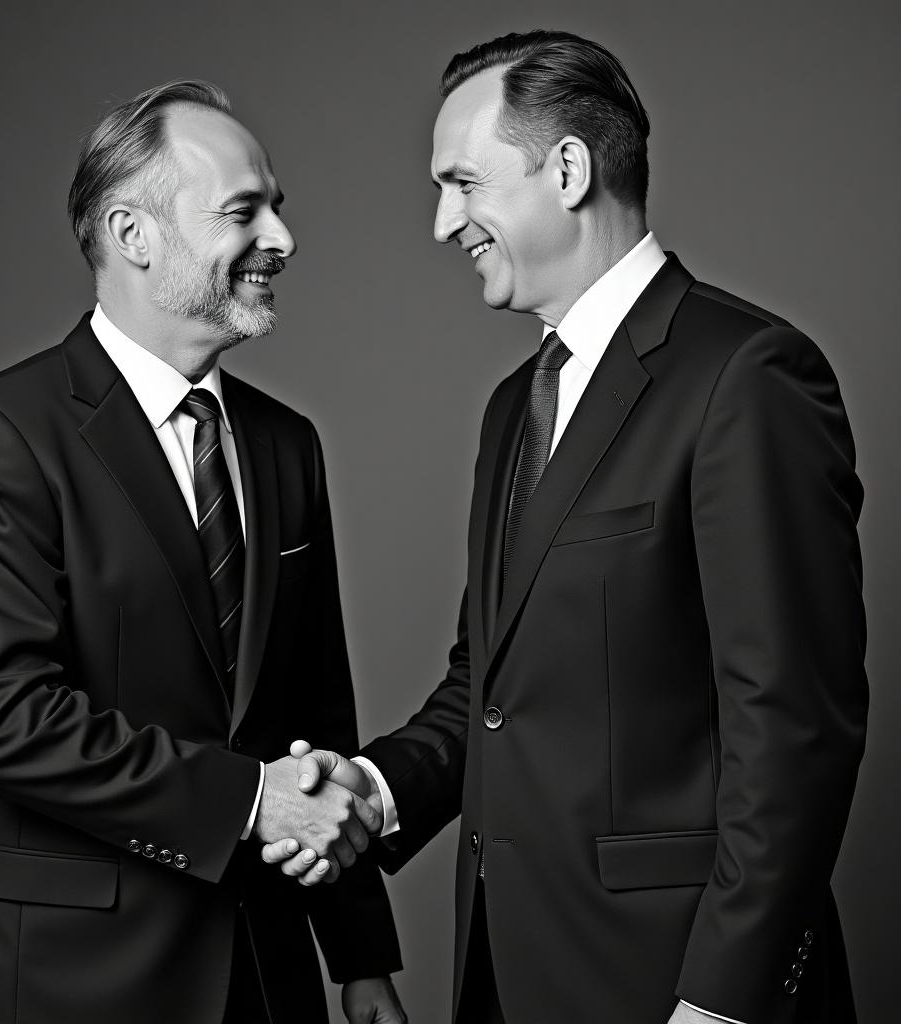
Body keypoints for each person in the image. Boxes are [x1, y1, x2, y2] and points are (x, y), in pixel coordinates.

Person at [263, 31, 868, 1024]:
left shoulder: (746, 375)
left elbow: (794, 727)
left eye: (461, 183)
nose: (440, 222)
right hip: (507, 979)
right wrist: (371, 791)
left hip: (680, 986)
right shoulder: (513, 406)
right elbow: (488, 691)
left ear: (570, 170)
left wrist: (721, 1002)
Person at [0, 79, 405, 1024]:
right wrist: (251, 804)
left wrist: (358, 958)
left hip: (266, 975)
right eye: (242, 211)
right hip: (74, 977)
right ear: (132, 233)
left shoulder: (285, 443)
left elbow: (314, 712)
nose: (282, 240)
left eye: (278, 208)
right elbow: (3, 720)